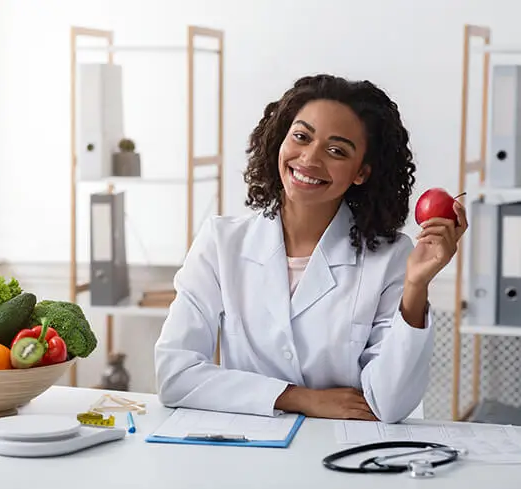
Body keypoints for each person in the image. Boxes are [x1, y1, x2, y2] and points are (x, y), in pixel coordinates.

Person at [154, 74, 468, 424]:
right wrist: (300, 399)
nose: (309, 159)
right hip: (248, 451)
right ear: (280, 140)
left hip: (342, 456)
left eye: (336, 150)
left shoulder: (391, 257)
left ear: (361, 172)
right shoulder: (221, 242)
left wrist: (416, 288)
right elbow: (175, 374)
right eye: (301, 137)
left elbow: (388, 404)